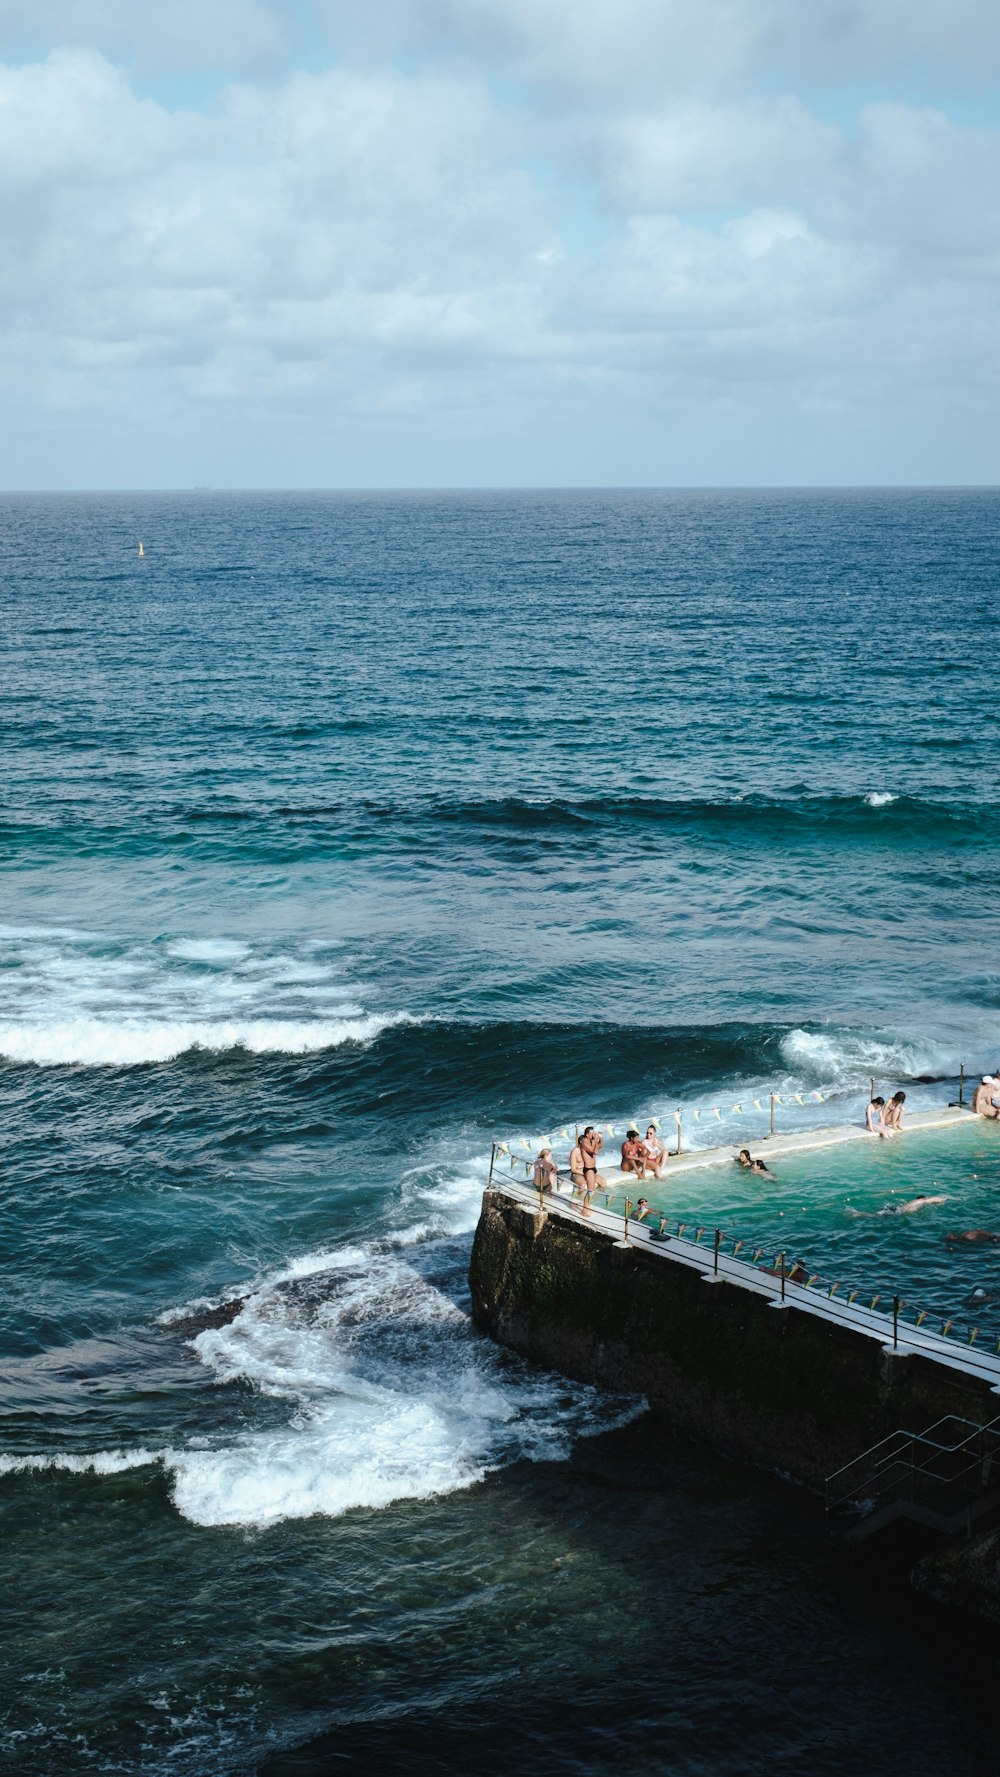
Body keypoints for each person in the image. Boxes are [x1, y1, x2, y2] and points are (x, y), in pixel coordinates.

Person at [579, 1125, 606, 1208]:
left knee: (593, 1190)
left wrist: (601, 1138)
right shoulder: (584, 1143)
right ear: (587, 1135)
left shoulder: (591, 1141)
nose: (594, 1134)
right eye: (592, 1133)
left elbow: (599, 1147)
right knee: (590, 1190)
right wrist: (595, 1140)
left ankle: (588, 1206)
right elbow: (595, 1152)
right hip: (588, 1169)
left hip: (593, 1168)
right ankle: (584, 1209)